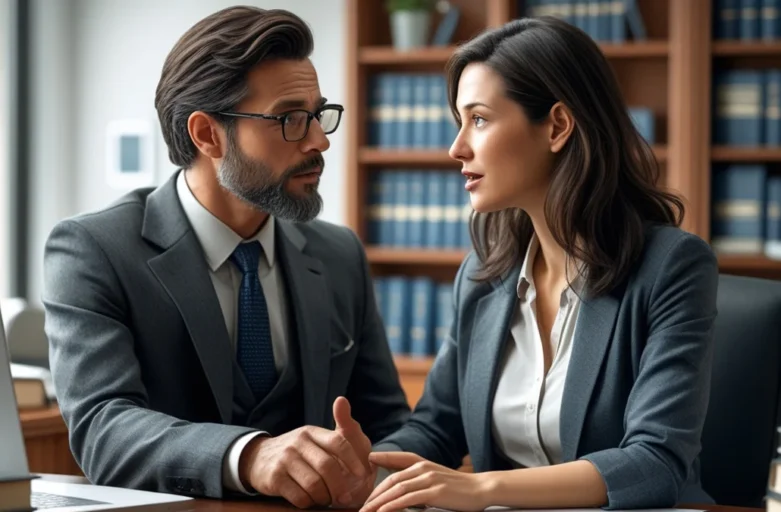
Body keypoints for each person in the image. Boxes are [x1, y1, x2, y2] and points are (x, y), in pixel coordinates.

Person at [42, 6, 410, 509]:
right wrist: (249, 455)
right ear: (207, 134)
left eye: (318, 113)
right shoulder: (94, 251)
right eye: (289, 119)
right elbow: (103, 430)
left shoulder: (339, 253)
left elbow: (388, 425)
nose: (320, 140)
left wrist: (375, 476)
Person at [360, 16, 719, 512]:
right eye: (459, 122)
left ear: (557, 126)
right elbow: (437, 427)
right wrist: (366, 467)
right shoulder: (483, 275)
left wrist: (480, 489)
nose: (456, 147)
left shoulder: (671, 267)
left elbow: (655, 461)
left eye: (479, 119)